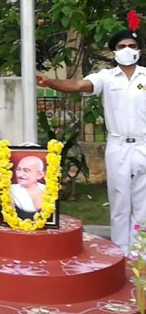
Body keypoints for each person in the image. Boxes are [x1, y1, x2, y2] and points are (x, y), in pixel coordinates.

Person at [37, 28, 146, 255]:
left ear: (140, 50)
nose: (127, 50)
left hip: (143, 143)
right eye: (121, 47)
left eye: (132, 46)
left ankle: (140, 250)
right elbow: (77, 86)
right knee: (119, 198)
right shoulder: (106, 77)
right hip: (117, 145)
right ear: (114, 52)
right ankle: (120, 250)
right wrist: (50, 82)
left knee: (143, 201)